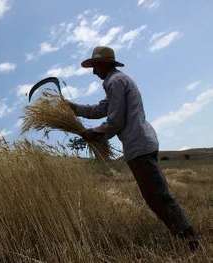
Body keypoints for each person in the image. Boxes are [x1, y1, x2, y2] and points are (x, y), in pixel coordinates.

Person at [66, 46, 200, 251]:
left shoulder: (115, 82)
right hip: (140, 143)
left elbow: (116, 120)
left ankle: (189, 241)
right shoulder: (115, 82)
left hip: (139, 145)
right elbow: (100, 110)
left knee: (158, 196)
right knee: (154, 196)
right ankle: (183, 236)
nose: (93, 72)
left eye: (95, 66)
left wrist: (93, 133)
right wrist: (73, 108)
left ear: (103, 64)